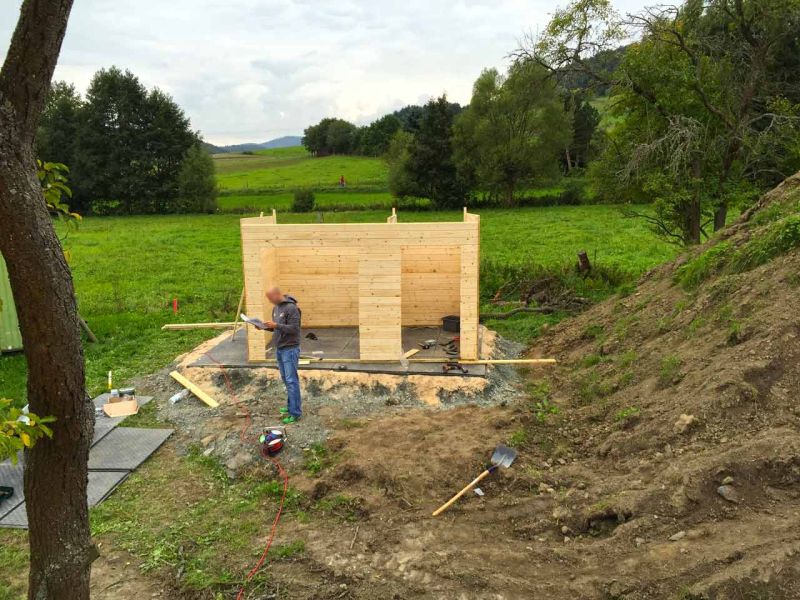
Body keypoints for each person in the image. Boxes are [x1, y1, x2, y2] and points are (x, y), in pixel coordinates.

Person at [265, 287, 302, 424]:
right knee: (286, 380)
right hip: (280, 348)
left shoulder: (291, 308)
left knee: (292, 381)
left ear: (277, 295)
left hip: (290, 349)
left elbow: (294, 329)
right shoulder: (276, 308)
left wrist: (276, 325)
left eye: (270, 298)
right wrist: (265, 327)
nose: (269, 301)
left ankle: (295, 413)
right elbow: (277, 327)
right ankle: (290, 406)